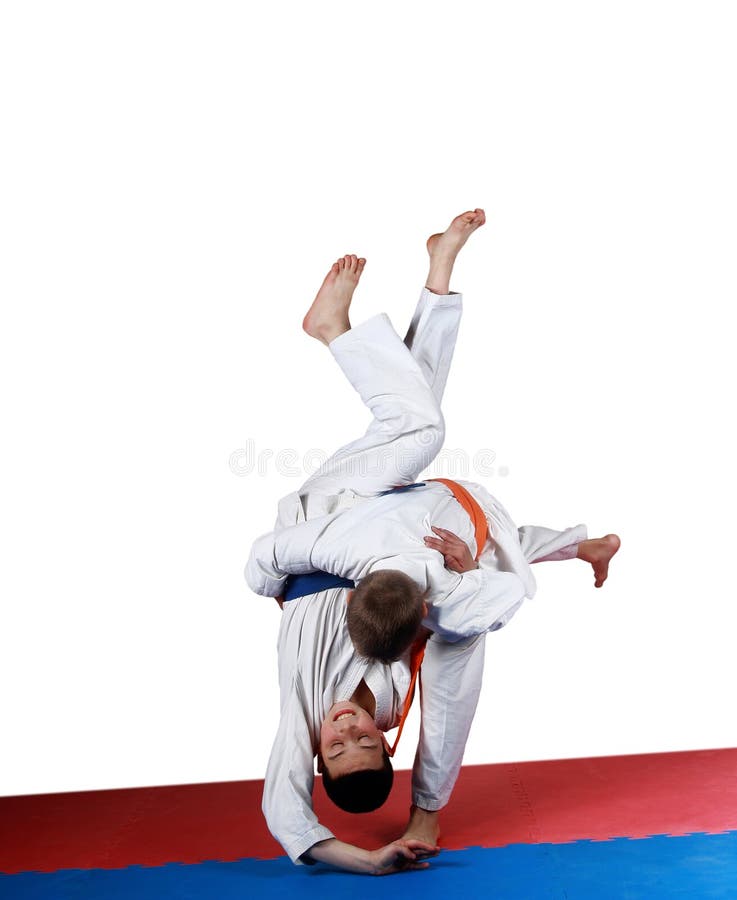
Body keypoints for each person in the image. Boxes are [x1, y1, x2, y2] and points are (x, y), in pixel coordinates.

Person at [247, 210, 619, 873]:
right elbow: (459, 652)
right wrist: (470, 573)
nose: (346, 729)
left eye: (335, 746)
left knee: (417, 425)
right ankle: (438, 275)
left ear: (317, 756)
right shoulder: (396, 690)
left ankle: (332, 330)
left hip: (327, 531)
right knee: (421, 428)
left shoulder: (300, 714)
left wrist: (366, 860)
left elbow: (284, 812)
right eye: (363, 741)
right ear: (384, 741)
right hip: (394, 535)